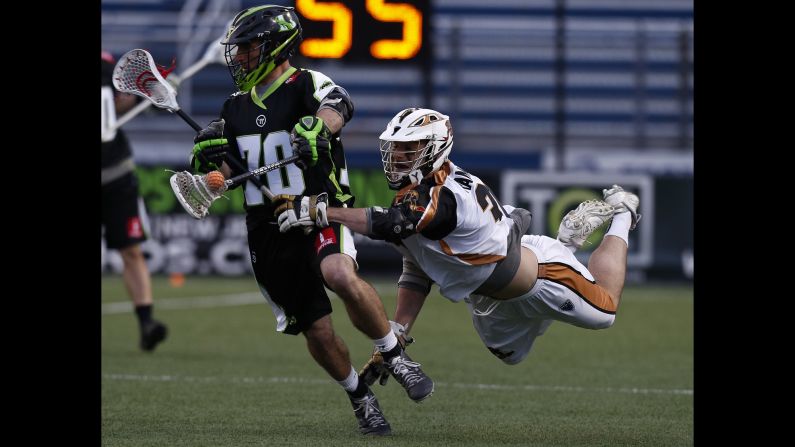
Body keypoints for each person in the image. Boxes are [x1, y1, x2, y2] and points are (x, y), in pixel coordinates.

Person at [188, 6, 433, 436]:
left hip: (317, 209)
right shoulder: (234, 107)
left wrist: (317, 128)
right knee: (317, 331)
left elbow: (340, 104)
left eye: (247, 49)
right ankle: (360, 397)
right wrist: (210, 168)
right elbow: (227, 174)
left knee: (338, 272)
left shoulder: (307, 84)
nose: (240, 58)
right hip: (267, 230)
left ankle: (395, 356)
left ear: (274, 47)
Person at [272, 107, 641, 379]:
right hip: (488, 294)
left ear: (434, 149)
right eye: (396, 148)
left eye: (409, 148)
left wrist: (323, 212)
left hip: (540, 275)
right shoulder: (416, 194)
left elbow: (393, 223)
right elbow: (417, 266)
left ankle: (620, 212)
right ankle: (565, 246)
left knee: (605, 313)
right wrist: (397, 335)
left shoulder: (440, 197)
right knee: (510, 356)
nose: (397, 157)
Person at [102, 51, 168, 352]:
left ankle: (146, 322)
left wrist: (151, 92)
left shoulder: (104, 65)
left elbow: (121, 102)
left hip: (115, 175)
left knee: (131, 250)